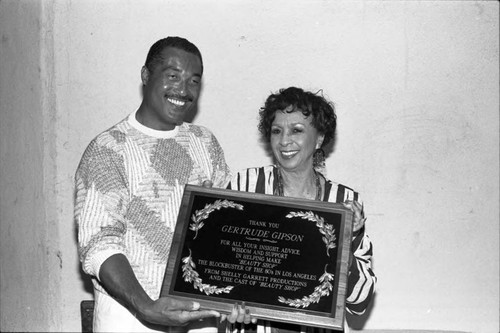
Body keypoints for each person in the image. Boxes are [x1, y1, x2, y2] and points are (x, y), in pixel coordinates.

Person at [74, 36, 251, 332]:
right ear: (146, 76)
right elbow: (99, 244)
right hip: (130, 318)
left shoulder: (205, 143)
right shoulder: (108, 149)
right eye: (173, 76)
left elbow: (224, 232)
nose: (183, 90)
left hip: (200, 317)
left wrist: (236, 298)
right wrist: (147, 307)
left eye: (194, 81)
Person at [227, 87, 376, 333]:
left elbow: (360, 303)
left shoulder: (344, 202)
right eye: (277, 131)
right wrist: (228, 309)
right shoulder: (245, 185)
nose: (284, 141)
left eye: (297, 130)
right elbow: (220, 265)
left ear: (319, 139)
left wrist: (347, 244)